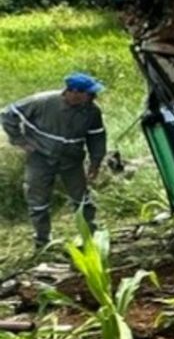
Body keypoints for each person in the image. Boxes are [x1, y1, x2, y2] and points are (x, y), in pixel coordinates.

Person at [3, 73, 108, 249]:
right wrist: (19, 140)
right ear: (73, 92)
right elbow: (8, 114)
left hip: (72, 160)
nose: (93, 97)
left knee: (81, 199)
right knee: (38, 201)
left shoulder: (92, 111)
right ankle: (42, 241)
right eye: (89, 94)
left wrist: (95, 162)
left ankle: (90, 236)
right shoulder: (42, 102)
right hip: (40, 158)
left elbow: (97, 137)